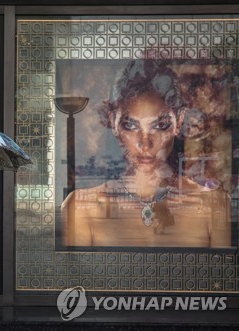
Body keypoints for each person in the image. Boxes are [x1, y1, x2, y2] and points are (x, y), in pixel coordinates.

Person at [61, 60, 230, 248]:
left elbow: (223, 276)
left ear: (179, 121)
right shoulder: (82, 208)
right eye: (131, 125)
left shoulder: (213, 204)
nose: (145, 143)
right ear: (114, 123)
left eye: (159, 125)